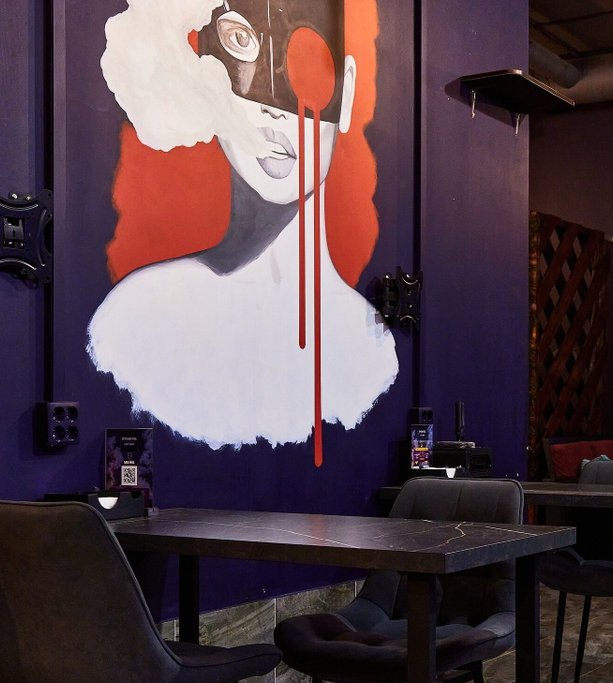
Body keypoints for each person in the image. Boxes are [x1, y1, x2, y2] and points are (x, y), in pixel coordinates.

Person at [87, 0, 397, 461]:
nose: (273, 109)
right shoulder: (134, 322)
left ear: (346, 92)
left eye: (309, 59)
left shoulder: (372, 351)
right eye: (239, 41)